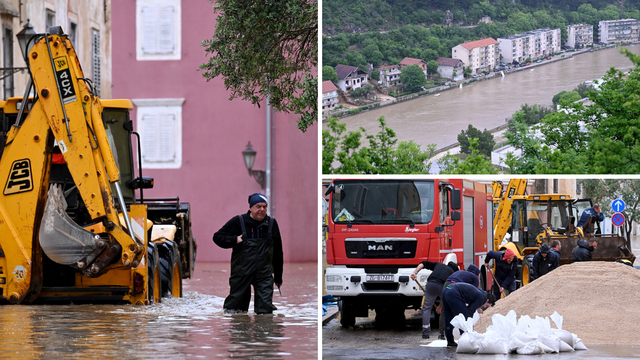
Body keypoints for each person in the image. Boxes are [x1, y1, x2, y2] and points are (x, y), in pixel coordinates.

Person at [213, 193, 284, 314]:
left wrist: (278, 276)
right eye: (258, 206)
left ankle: (263, 331)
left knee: (265, 311)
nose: (262, 210)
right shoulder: (239, 221)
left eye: (264, 207)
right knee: (236, 311)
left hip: (264, 275)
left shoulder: (271, 223)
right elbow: (217, 237)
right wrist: (234, 240)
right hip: (241, 274)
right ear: (251, 207)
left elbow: (278, 251)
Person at [410, 261, 459, 339]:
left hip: (431, 284)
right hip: (442, 286)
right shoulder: (453, 273)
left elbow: (423, 263)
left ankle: (425, 333)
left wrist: (415, 273)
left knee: (427, 308)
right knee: (444, 309)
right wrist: (440, 307)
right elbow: (446, 294)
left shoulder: (438, 265)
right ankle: (442, 334)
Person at [442, 282, 496, 347]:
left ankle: (450, 341)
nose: (484, 307)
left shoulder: (480, 293)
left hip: (446, 290)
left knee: (448, 318)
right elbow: (470, 311)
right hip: (454, 293)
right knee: (464, 318)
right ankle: (466, 341)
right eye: (487, 305)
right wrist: (470, 326)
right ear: (487, 300)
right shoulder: (482, 298)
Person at [435, 264, 481, 339]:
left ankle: (441, 334)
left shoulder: (461, 272)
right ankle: (464, 334)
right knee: (461, 312)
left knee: (444, 311)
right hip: (455, 287)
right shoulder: (475, 278)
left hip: (447, 284)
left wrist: (440, 306)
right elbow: (475, 293)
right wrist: (477, 307)